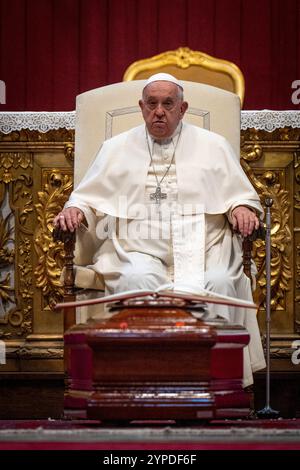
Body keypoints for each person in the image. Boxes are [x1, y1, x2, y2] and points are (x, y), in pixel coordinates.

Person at [54, 73, 266, 386]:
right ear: (141, 107)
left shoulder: (213, 146)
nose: (159, 111)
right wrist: (75, 209)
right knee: (136, 279)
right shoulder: (115, 148)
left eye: (168, 104)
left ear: (183, 108)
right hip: (136, 246)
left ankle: (218, 381)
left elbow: (239, 194)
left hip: (204, 245)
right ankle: (140, 377)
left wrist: (240, 208)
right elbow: (87, 196)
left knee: (219, 281)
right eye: (152, 104)